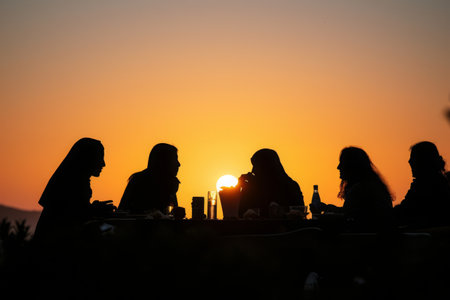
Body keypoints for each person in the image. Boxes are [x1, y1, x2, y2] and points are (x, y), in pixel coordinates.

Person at [34, 138, 115, 240]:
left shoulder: (74, 181)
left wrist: (92, 208)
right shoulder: (71, 183)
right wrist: (94, 210)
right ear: (87, 159)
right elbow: (69, 217)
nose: (103, 164)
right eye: (99, 158)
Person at [310, 147, 393, 231]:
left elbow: (348, 217)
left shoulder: (360, 189)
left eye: (341, 163)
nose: (338, 167)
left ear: (351, 166)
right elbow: (349, 213)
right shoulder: (372, 185)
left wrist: (326, 209)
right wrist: (327, 208)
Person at [118, 143, 184, 218]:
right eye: (175, 159)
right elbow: (123, 213)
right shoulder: (139, 181)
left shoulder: (170, 183)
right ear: (163, 161)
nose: (179, 164)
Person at [394, 141, 450, 227]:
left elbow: (405, 211)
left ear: (423, 161)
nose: (409, 161)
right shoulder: (436, 181)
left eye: (413, 158)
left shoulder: (426, 186)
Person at [235, 148, 304, 218]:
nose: (253, 170)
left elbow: (299, 213)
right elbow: (240, 214)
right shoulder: (251, 187)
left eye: (256, 166)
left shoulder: (290, 186)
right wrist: (240, 189)